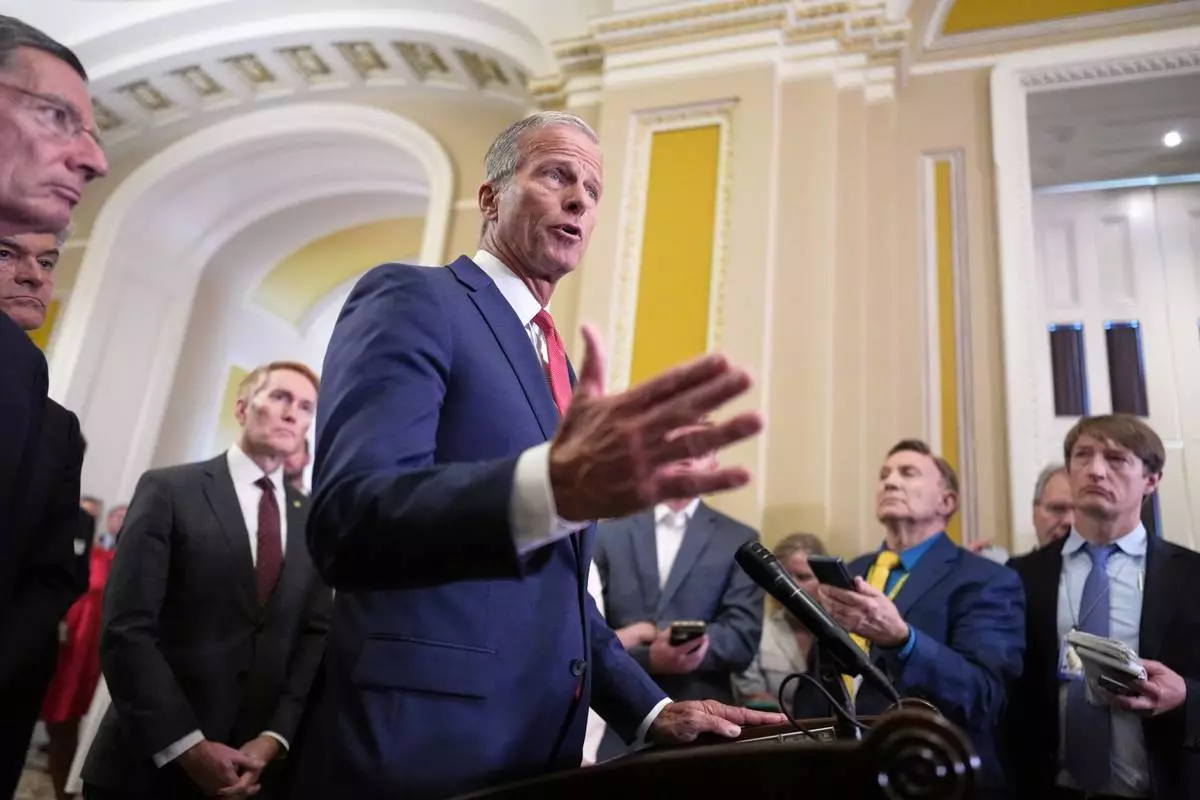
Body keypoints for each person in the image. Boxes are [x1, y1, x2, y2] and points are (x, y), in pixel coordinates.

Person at [292, 111, 781, 799]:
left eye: (593, 189)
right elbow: (348, 519)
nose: (580, 199)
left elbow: (557, 589)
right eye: (556, 175)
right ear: (490, 198)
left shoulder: (562, 373)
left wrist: (652, 710)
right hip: (419, 746)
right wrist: (547, 489)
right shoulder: (415, 299)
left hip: (538, 752)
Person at [82, 362, 332, 799]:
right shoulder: (170, 489)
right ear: (242, 407)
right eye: (280, 397)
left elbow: (313, 636)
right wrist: (188, 747)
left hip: (250, 772)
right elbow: (126, 628)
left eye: (306, 406)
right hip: (147, 764)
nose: (293, 413)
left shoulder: (313, 519)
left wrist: (274, 736)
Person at [1006, 415, 1200, 799]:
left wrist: (1187, 696)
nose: (1095, 470)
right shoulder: (1021, 574)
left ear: (1151, 480)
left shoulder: (1191, 576)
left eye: (1115, 459)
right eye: (1083, 456)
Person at [818, 439, 1025, 794]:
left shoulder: (988, 579)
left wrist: (904, 641)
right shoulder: (852, 571)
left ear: (946, 502)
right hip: (839, 775)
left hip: (932, 778)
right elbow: (818, 677)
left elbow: (984, 697)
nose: (890, 482)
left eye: (908, 473)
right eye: (884, 474)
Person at [593, 422, 764, 758]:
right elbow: (586, 629)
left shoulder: (739, 539)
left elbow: (742, 638)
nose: (687, 454)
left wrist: (675, 642)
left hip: (707, 723)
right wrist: (649, 658)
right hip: (616, 720)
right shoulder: (606, 534)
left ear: (713, 462)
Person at [0, 229, 92, 797]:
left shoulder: (60, 429)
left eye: (49, 261)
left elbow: (55, 572)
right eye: (5, 253)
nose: (35, 275)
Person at [732, 532, 827, 715]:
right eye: (784, 577)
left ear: (822, 579)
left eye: (803, 577)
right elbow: (753, 700)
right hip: (777, 730)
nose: (792, 586)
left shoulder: (845, 633)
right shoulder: (757, 632)